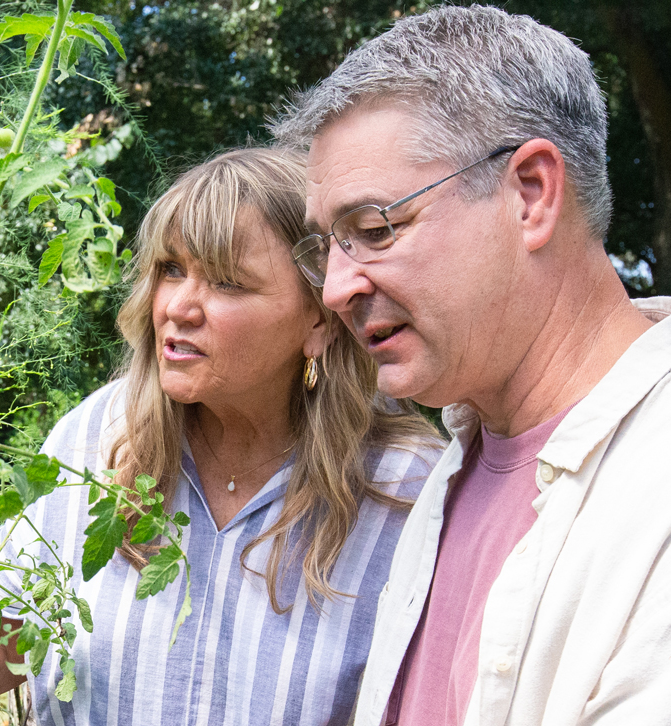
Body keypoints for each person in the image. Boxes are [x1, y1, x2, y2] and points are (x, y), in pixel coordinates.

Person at [0, 148, 440, 725]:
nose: (179, 306)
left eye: (226, 281)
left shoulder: (404, 494)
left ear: (319, 319)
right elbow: (6, 634)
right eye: (171, 270)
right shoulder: (97, 438)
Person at [272, 6, 671, 726]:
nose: (333, 289)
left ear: (530, 195)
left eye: (372, 230)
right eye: (327, 244)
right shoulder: (458, 462)